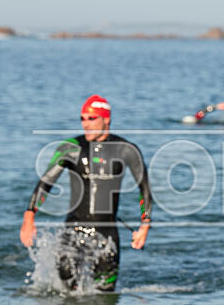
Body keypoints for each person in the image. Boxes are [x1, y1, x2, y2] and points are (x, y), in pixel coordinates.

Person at [19, 95, 152, 292]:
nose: (86, 125)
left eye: (92, 119)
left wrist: (145, 225)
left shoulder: (127, 149)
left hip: (106, 234)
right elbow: (46, 182)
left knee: (105, 295)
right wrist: (29, 216)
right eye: (82, 119)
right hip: (73, 230)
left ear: (106, 119)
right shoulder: (70, 147)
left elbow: (145, 188)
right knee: (67, 292)